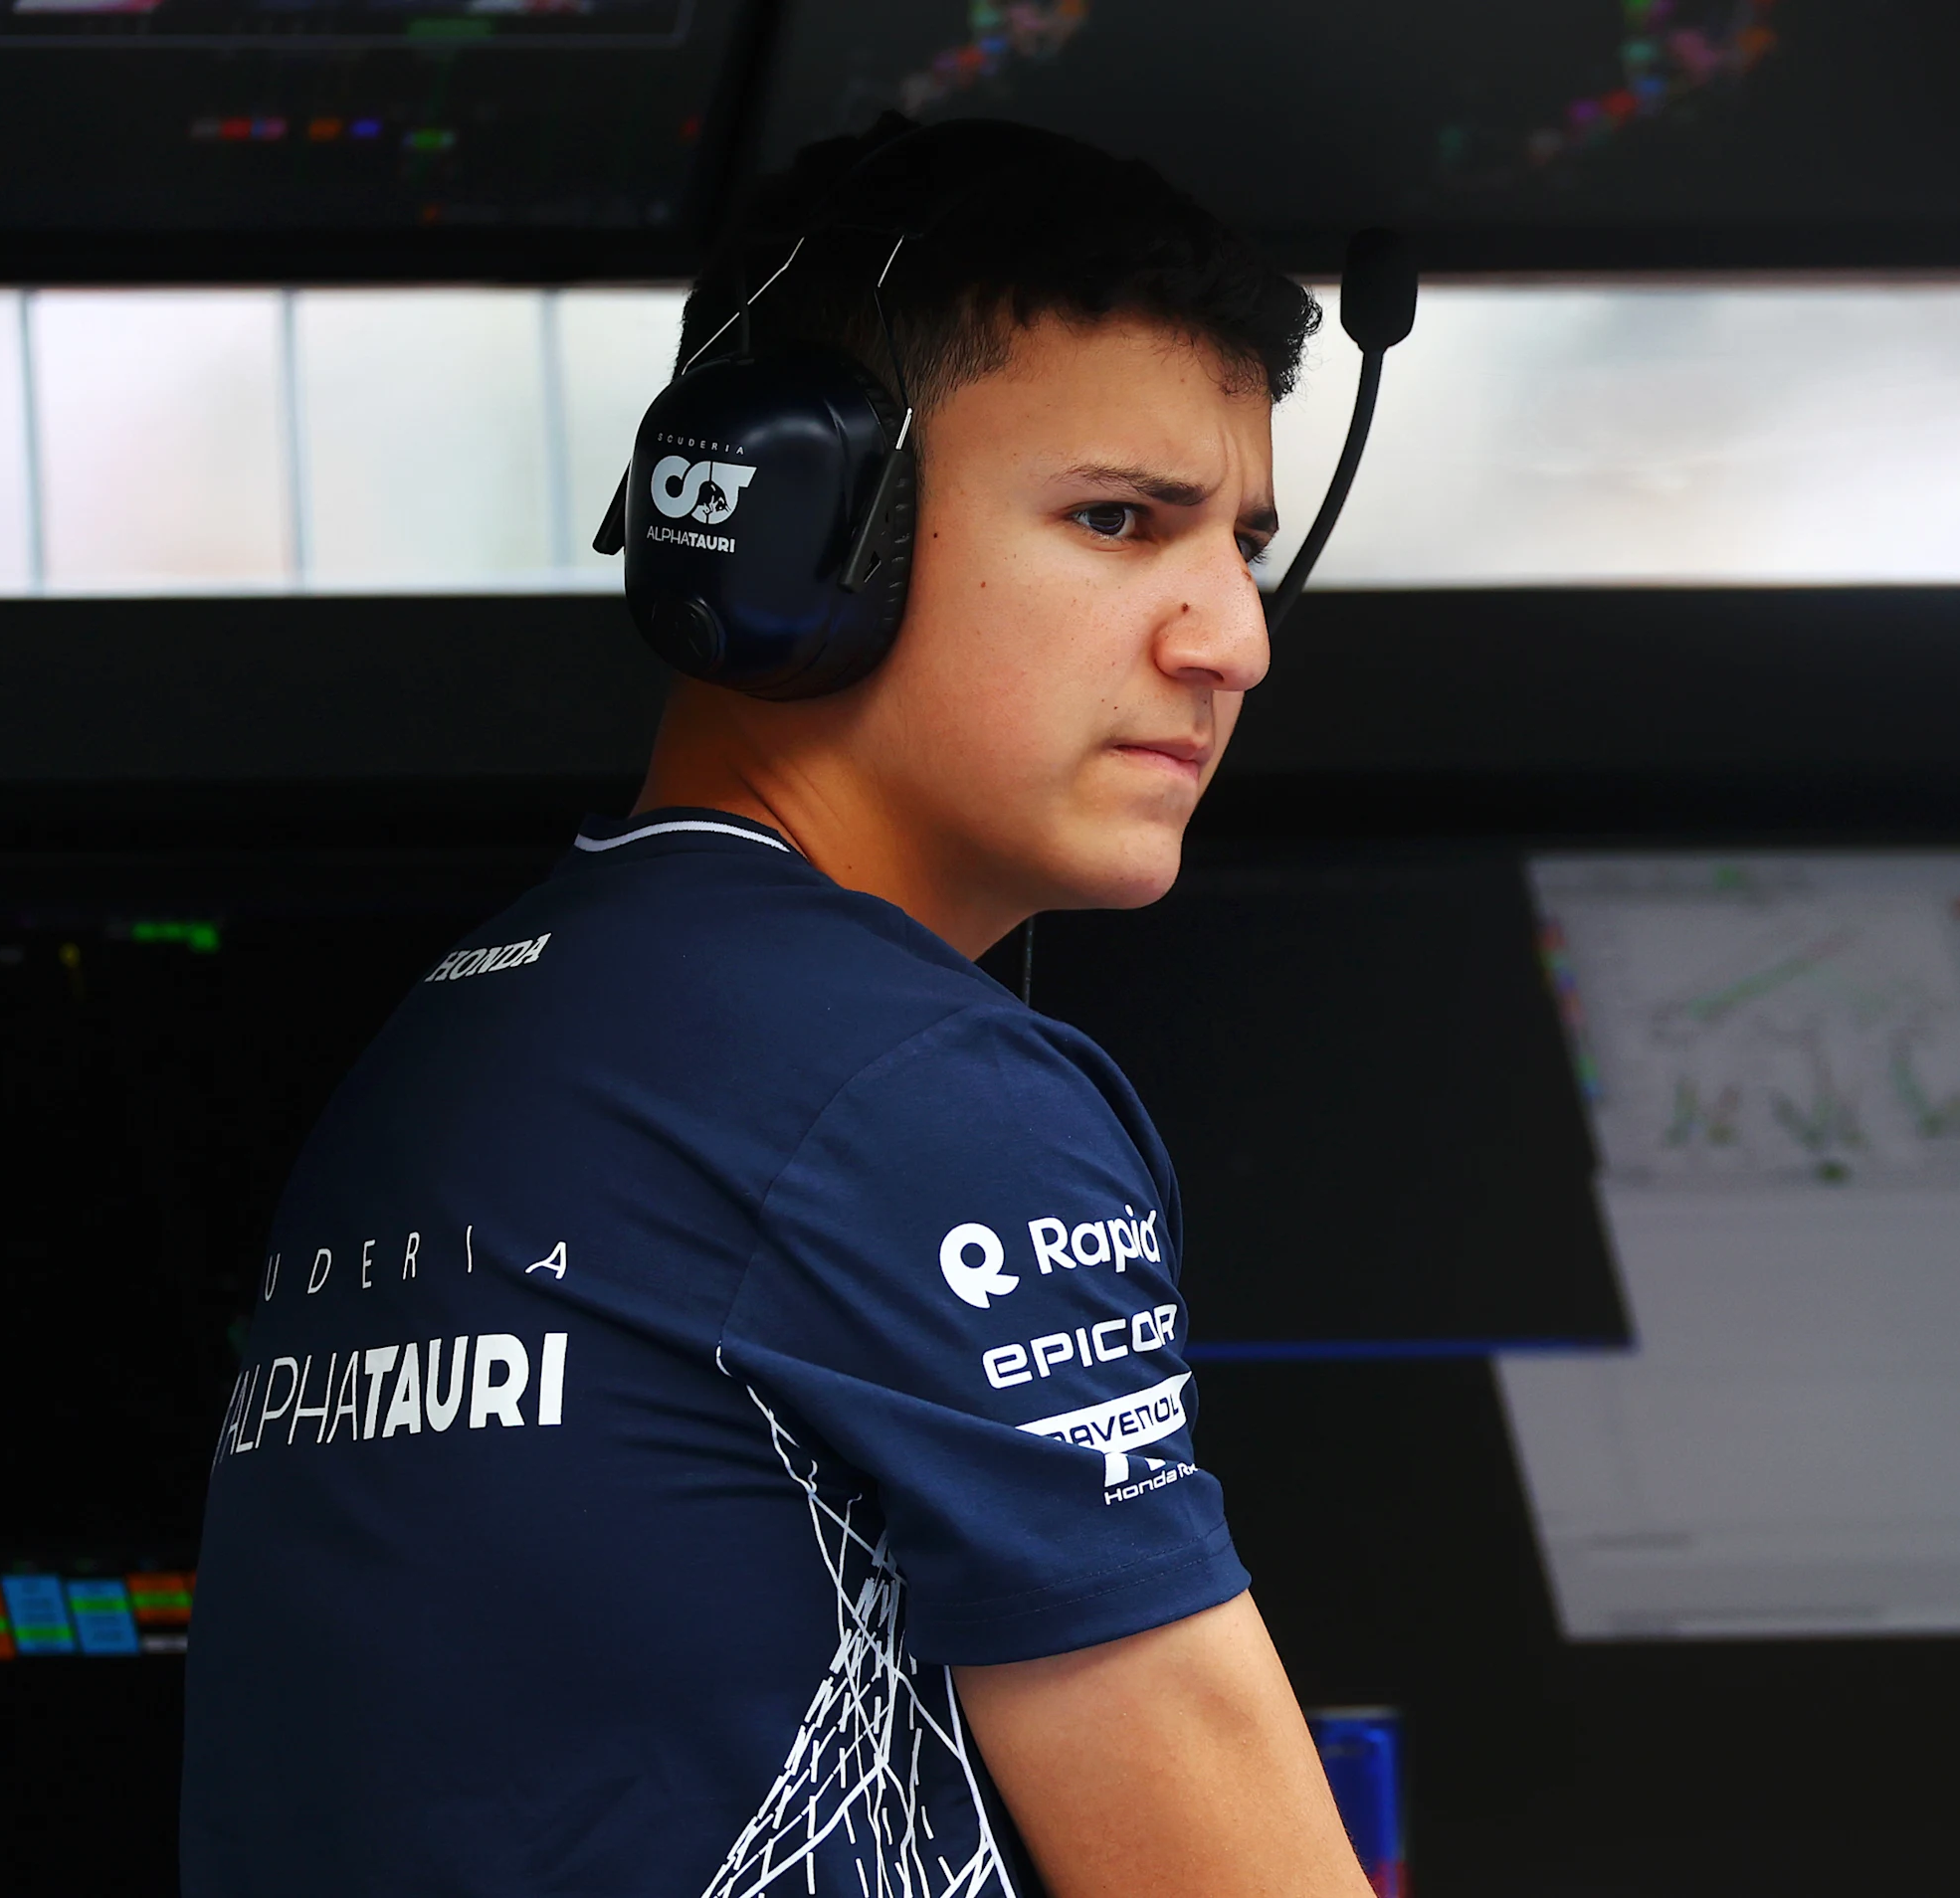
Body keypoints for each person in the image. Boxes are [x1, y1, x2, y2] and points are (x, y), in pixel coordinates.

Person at [181, 116, 1373, 1898]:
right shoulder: (906, 1091)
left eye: (1244, 546)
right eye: (1119, 521)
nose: (1232, 639)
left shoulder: (478, 1035)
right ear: (797, 526)